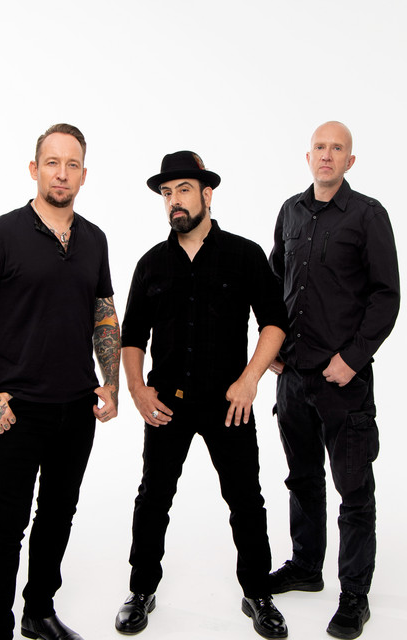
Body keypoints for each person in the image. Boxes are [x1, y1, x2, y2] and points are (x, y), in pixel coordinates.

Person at [0, 123, 120, 640]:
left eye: (72, 164)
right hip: (16, 410)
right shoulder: (0, 233)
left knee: (58, 516)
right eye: (52, 162)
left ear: (84, 175)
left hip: (77, 408)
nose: (61, 173)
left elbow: (104, 314)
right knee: (6, 524)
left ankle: (38, 612)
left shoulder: (94, 238)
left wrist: (110, 383)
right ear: (34, 169)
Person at [115, 151, 290, 639]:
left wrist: (251, 379)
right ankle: (141, 590)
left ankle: (258, 593)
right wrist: (137, 390)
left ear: (207, 194)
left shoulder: (244, 254)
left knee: (246, 499)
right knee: (153, 498)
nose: (174, 200)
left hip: (229, 402)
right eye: (167, 193)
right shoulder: (151, 263)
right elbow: (132, 336)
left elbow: (274, 322)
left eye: (184, 190)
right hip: (166, 403)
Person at [268, 121, 400, 639]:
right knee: (302, 479)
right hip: (292, 378)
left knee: (354, 490)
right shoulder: (290, 211)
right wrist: (270, 345)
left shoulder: (368, 215)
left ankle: (354, 595)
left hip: (343, 382)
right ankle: (306, 566)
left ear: (350, 161)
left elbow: (386, 296)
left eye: (337, 148)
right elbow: (273, 283)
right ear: (308, 157)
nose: (327, 155)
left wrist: (353, 357)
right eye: (319, 147)